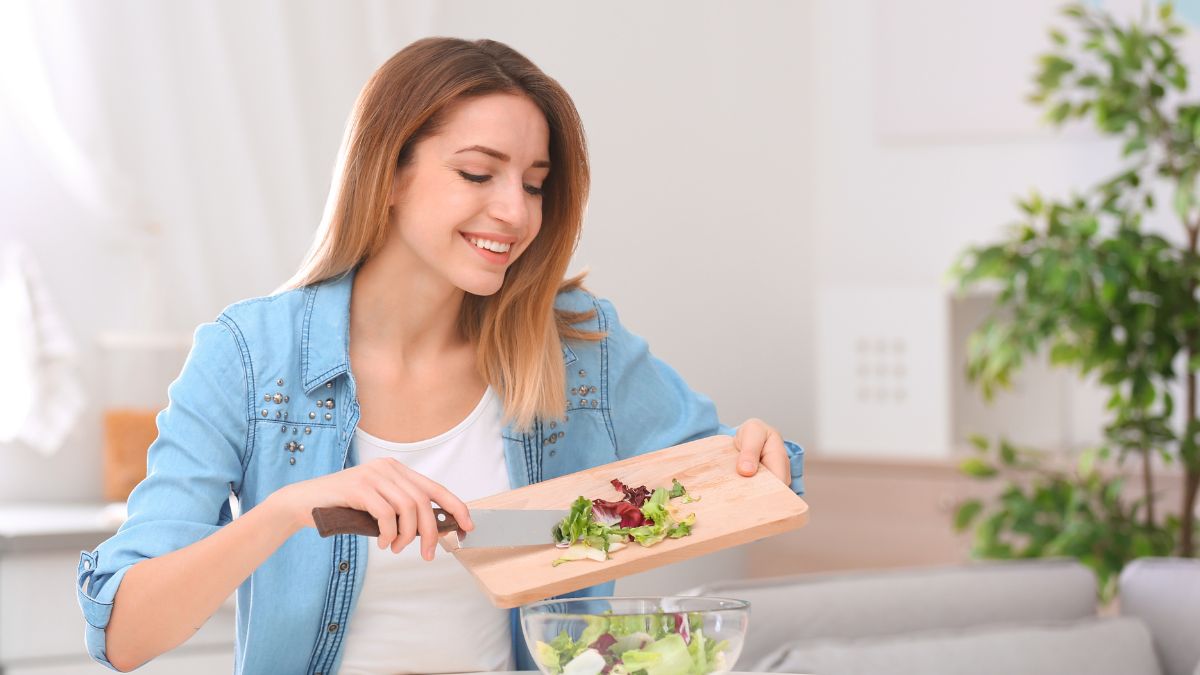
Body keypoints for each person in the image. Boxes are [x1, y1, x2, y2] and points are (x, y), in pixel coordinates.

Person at [74, 37, 805, 675]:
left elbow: (724, 478)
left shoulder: (573, 342)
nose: (515, 213)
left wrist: (759, 455)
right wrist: (287, 512)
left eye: (535, 184)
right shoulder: (249, 356)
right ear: (388, 173)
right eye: (478, 174)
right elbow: (126, 633)